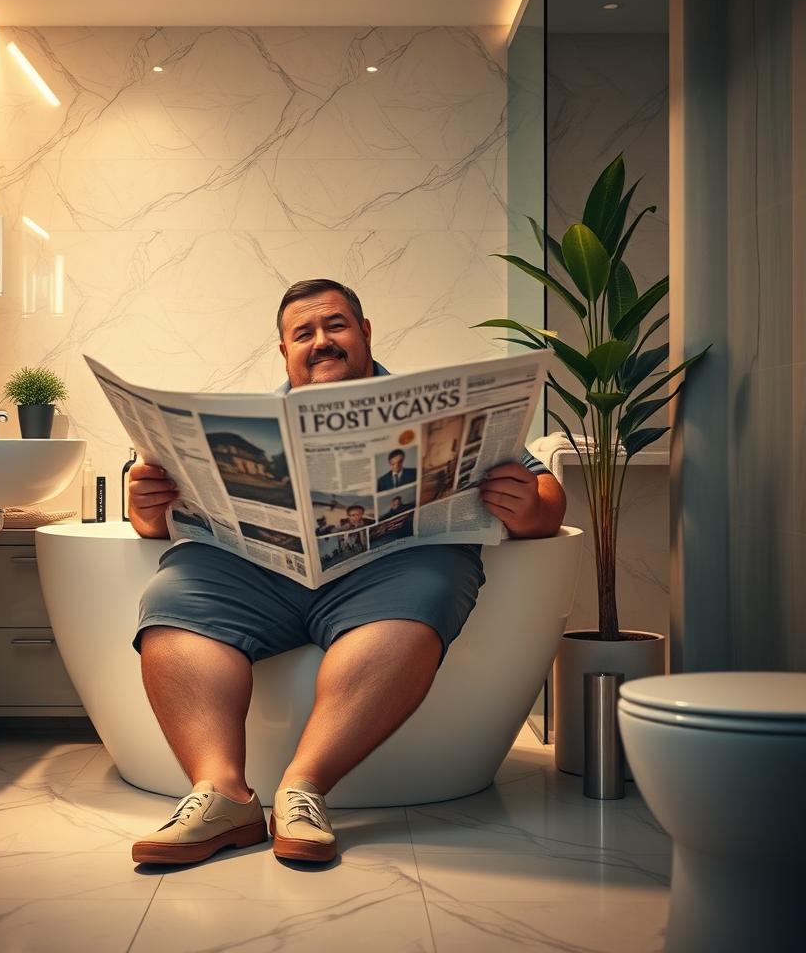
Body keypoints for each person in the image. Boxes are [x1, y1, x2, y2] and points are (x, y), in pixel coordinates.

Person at [127, 279, 566, 867]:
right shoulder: (248, 423)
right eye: (302, 333)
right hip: (254, 573)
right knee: (173, 598)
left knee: (423, 599)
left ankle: (302, 790)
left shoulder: (439, 405)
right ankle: (220, 794)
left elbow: (544, 491)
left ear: (364, 332)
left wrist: (533, 506)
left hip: (393, 573)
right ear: (284, 352)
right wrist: (146, 510)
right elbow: (156, 524)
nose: (321, 341)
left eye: (334, 325)